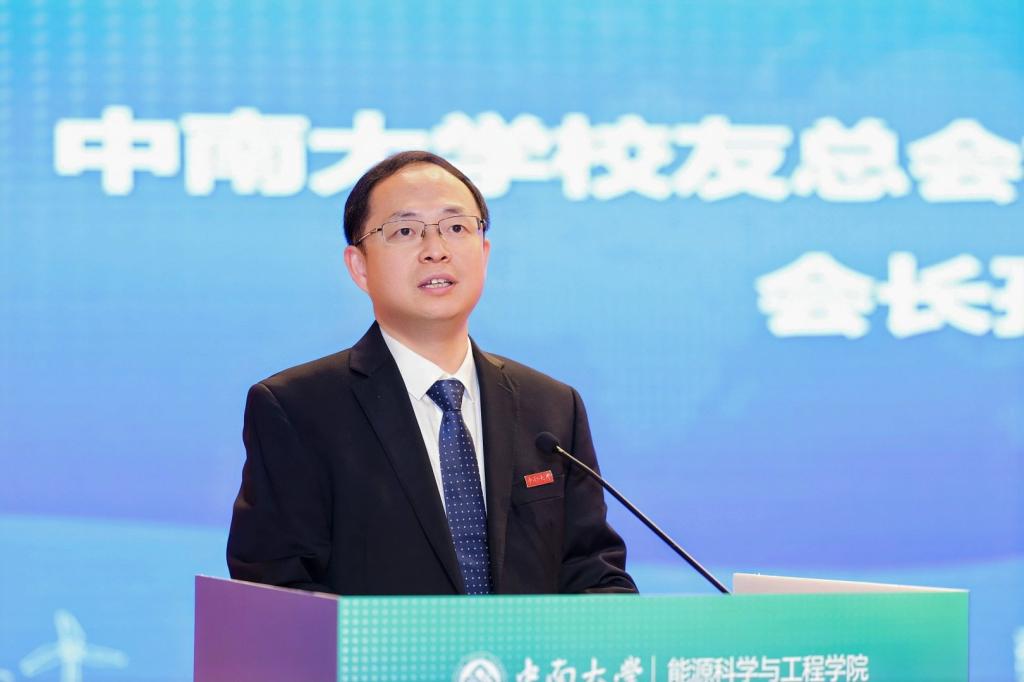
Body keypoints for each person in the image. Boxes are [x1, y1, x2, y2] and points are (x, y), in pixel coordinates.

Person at [227, 151, 636, 595]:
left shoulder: (552, 409)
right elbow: (276, 594)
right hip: (373, 646)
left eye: (456, 228)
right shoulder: (298, 410)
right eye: (405, 231)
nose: (436, 250)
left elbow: (593, 574)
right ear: (359, 267)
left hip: (529, 646)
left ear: (484, 252)